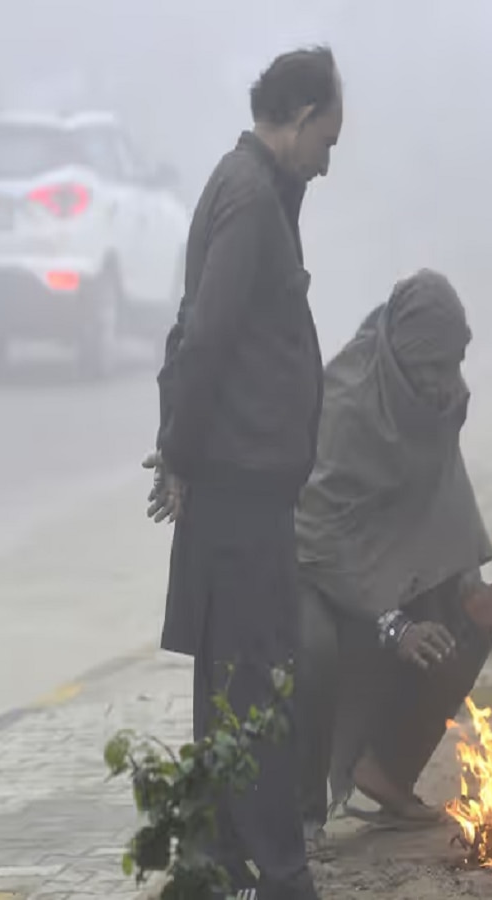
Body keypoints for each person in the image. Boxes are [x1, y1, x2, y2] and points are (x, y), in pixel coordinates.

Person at [145, 46, 343, 900]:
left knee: (236, 673)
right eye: (326, 141)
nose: (328, 162)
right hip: (236, 486)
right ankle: (279, 869)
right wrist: (181, 456)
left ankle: (222, 856)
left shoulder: (264, 193)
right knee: (256, 676)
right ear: (297, 121)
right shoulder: (251, 198)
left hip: (247, 485)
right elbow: (205, 335)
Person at [292, 270, 492, 845]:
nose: (450, 383)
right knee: (313, 648)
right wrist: (392, 622)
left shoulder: (437, 394)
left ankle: (387, 771)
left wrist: (467, 583)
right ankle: (300, 814)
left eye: (455, 364)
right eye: (436, 367)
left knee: (467, 626)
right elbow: (316, 533)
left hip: (382, 561)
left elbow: (441, 489)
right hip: (308, 566)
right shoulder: (347, 406)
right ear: (404, 357)